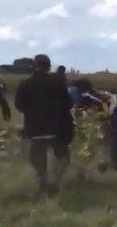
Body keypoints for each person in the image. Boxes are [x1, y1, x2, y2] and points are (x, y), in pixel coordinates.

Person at [14, 55, 74, 197]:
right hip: (57, 129)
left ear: (34, 67)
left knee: (38, 159)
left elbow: (19, 105)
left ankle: (44, 182)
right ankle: (56, 181)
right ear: (49, 66)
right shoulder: (58, 82)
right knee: (63, 157)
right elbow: (69, 104)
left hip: (35, 129)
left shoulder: (25, 84)